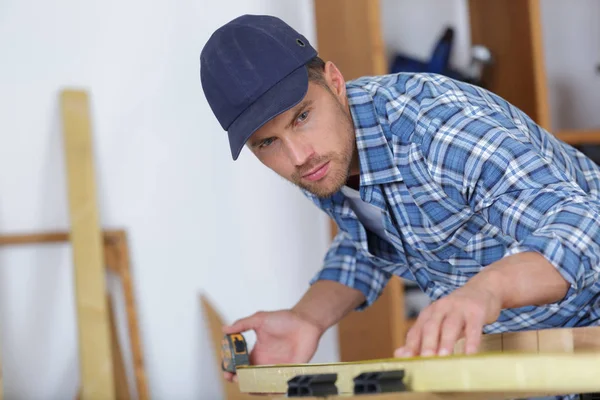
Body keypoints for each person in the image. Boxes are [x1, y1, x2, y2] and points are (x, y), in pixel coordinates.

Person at [199, 13, 600, 387]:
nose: (297, 157)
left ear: (335, 82)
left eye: (301, 117)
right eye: (268, 142)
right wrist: (307, 318)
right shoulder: (329, 160)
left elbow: (584, 224)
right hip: (531, 362)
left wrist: (486, 290)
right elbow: (374, 238)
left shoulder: (435, 130)